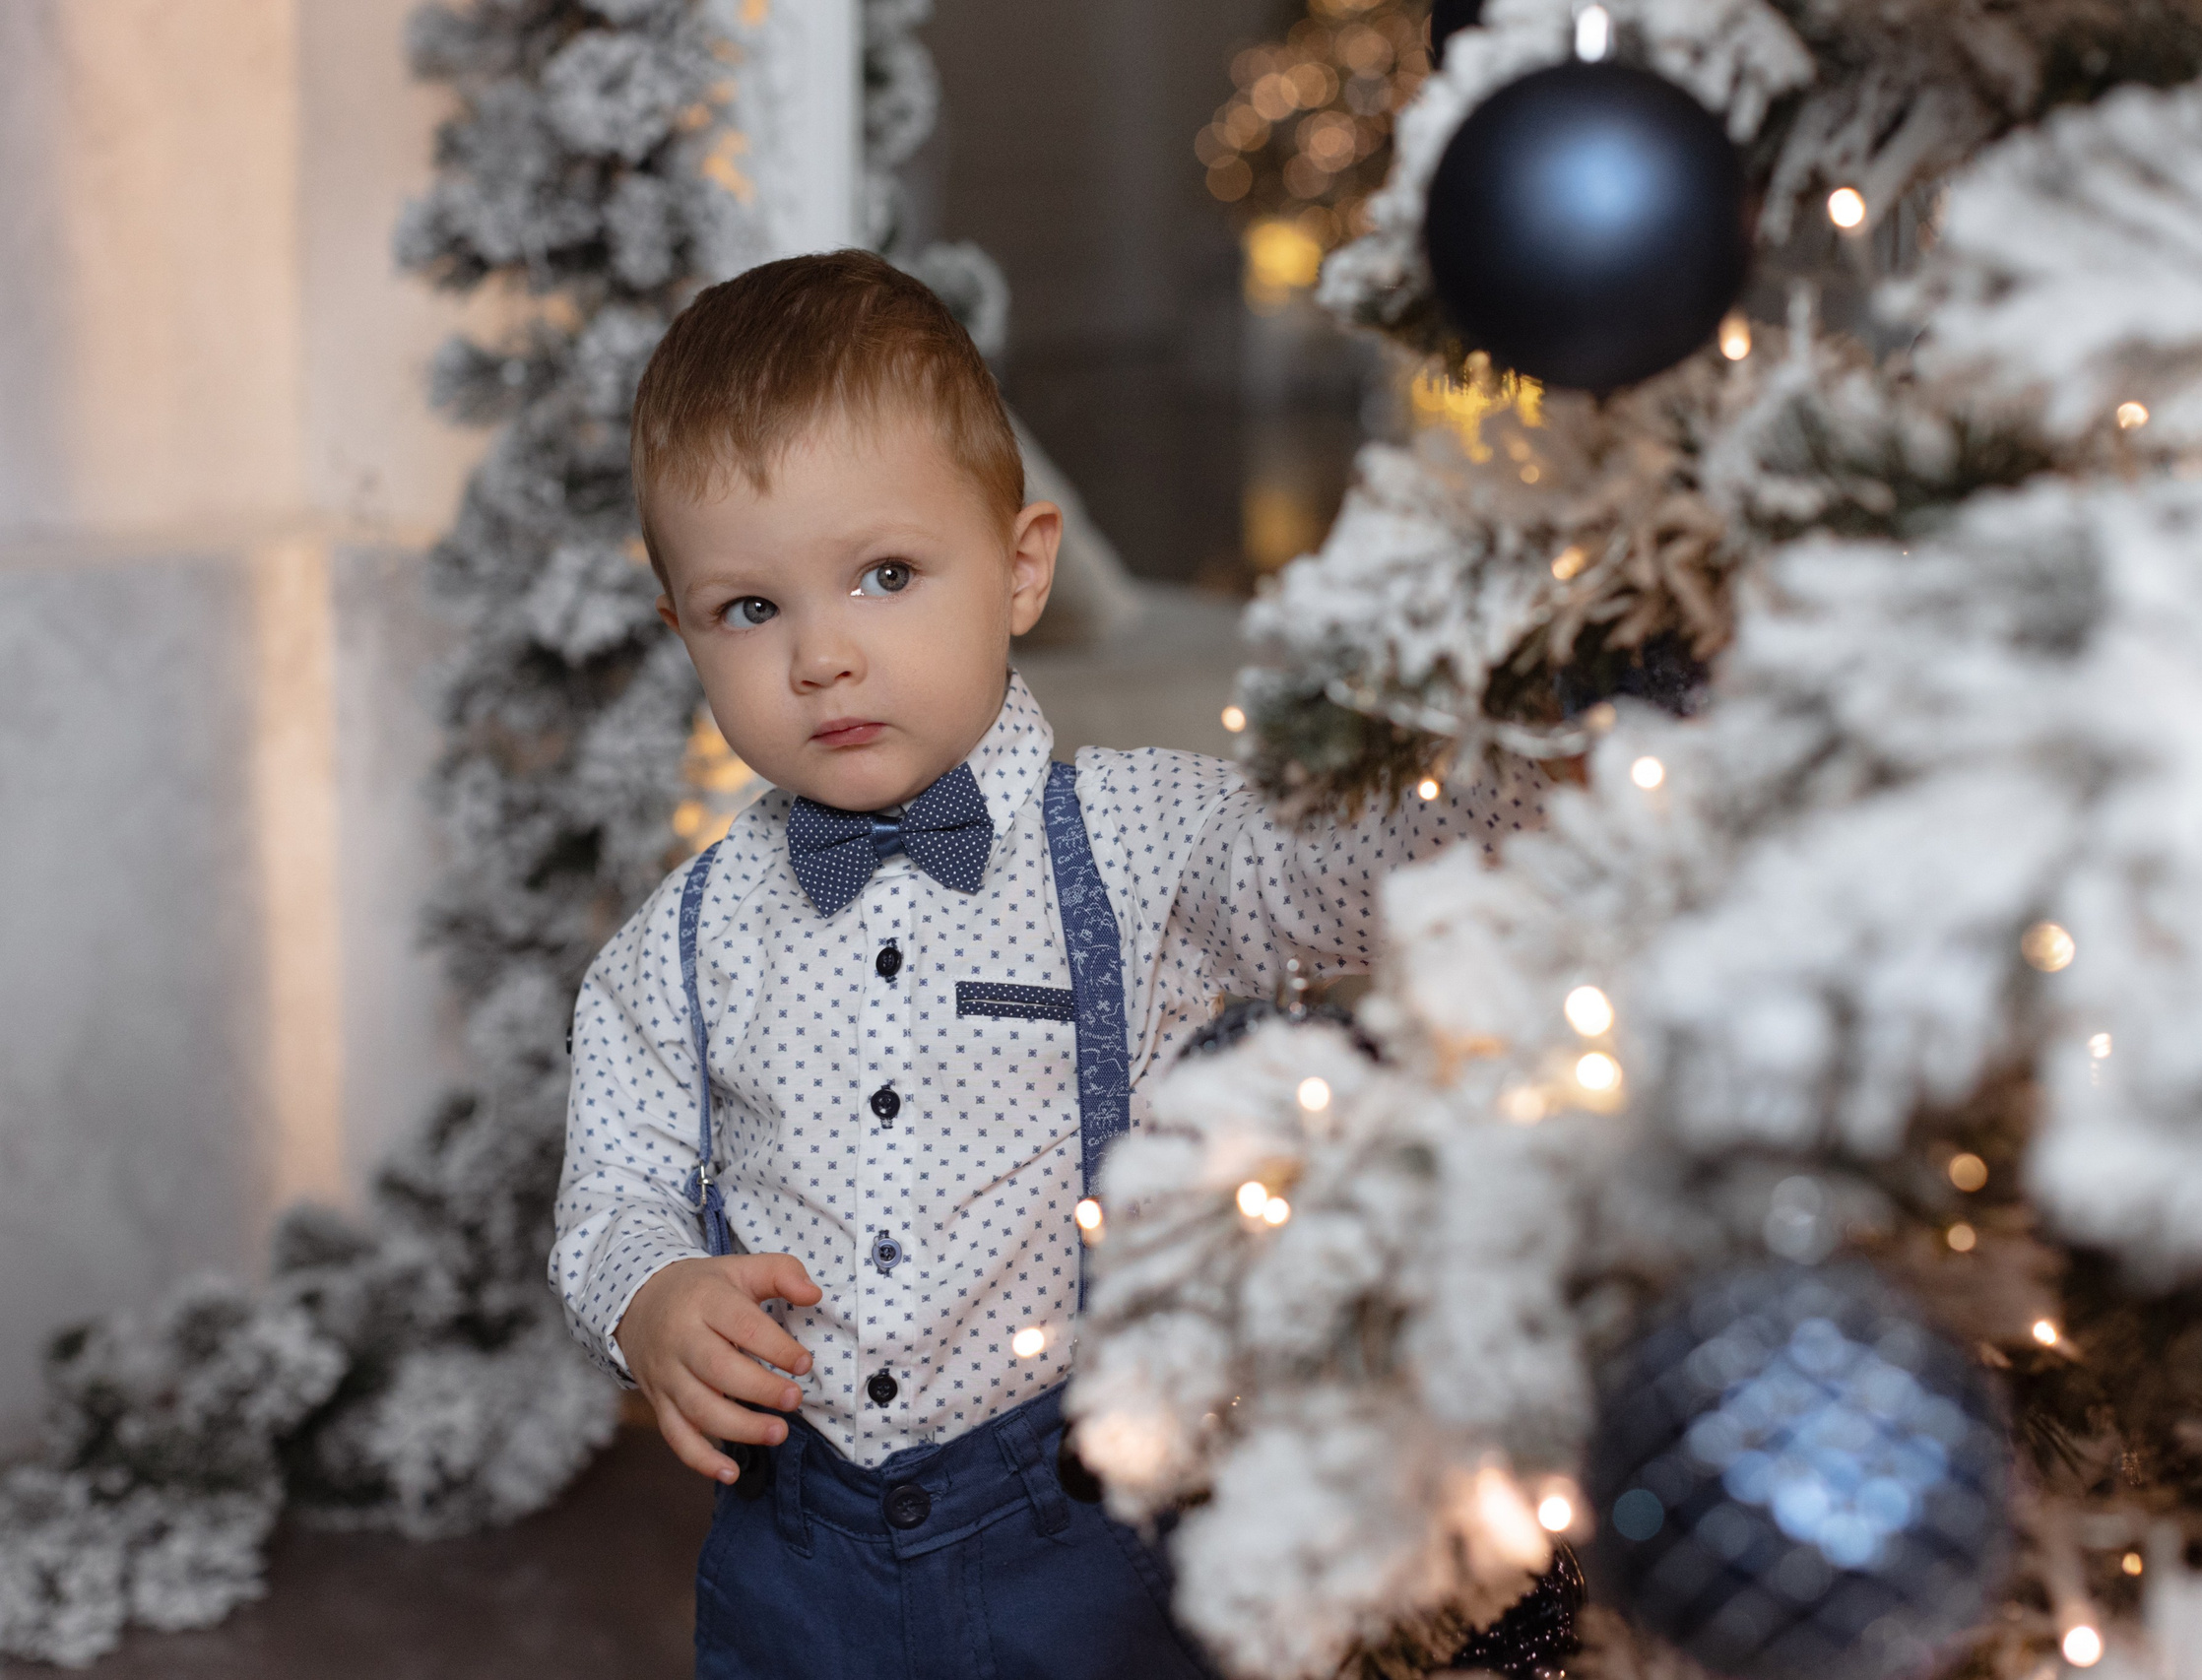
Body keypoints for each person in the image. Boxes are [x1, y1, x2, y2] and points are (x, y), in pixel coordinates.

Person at [549, 250, 1541, 1680]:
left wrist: (1542, 753)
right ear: (684, 633)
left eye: (885, 575)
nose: (824, 654)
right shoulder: (687, 939)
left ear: (1021, 569)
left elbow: (1345, 871)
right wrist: (651, 1295)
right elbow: (616, 1184)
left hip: (1081, 1528)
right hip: (797, 1553)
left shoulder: (1136, 838)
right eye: (750, 610)